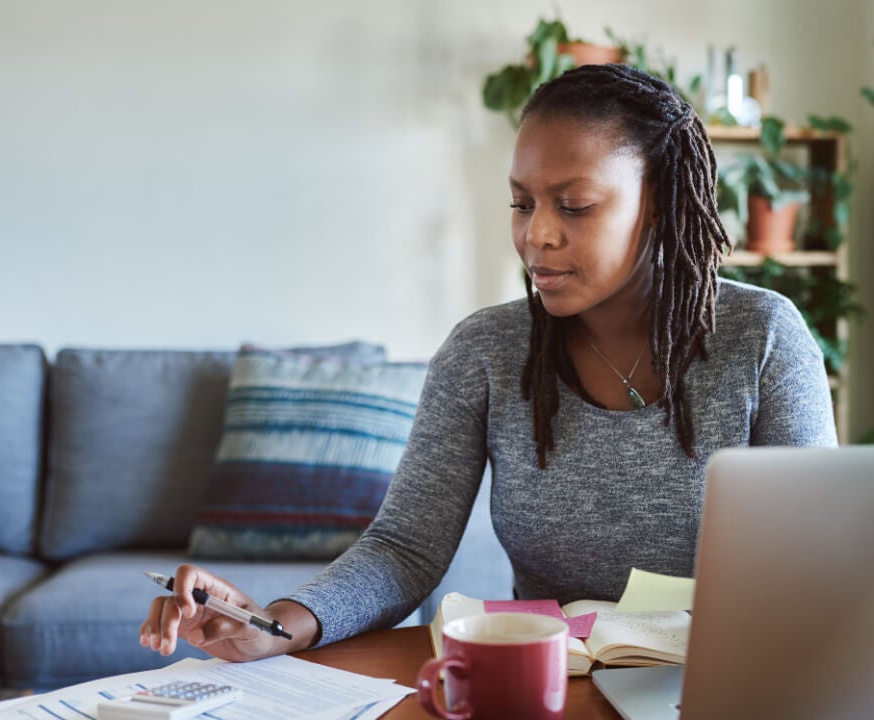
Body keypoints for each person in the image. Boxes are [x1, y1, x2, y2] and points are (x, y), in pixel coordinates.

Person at [139, 63, 837, 662]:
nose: (537, 234)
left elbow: (818, 563)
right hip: (552, 685)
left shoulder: (763, 338)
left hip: (729, 681)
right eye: (522, 203)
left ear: (657, 204)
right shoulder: (485, 352)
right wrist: (273, 626)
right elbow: (404, 549)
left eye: (574, 206)